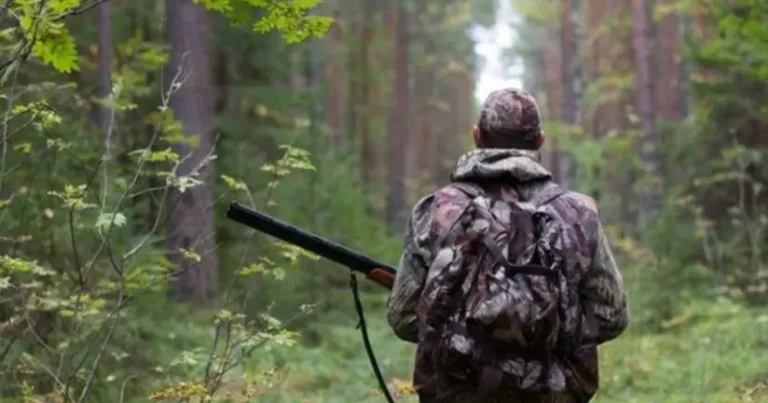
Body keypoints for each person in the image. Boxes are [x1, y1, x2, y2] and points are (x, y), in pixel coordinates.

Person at [385, 88, 629, 403]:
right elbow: (611, 316)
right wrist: (548, 337)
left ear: (477, 136)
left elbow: (403, 319)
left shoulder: (436, 211)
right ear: (540, 141)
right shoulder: (578, 214)